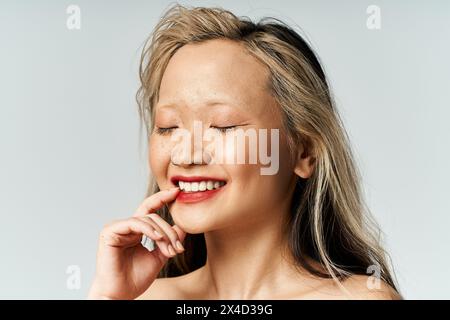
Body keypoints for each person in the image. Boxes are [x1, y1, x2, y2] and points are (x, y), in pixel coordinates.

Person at [88, 4, 401, 300]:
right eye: (168, 127)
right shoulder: (138, 297)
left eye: (223, 126)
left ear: (304, 151)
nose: (185, 156)